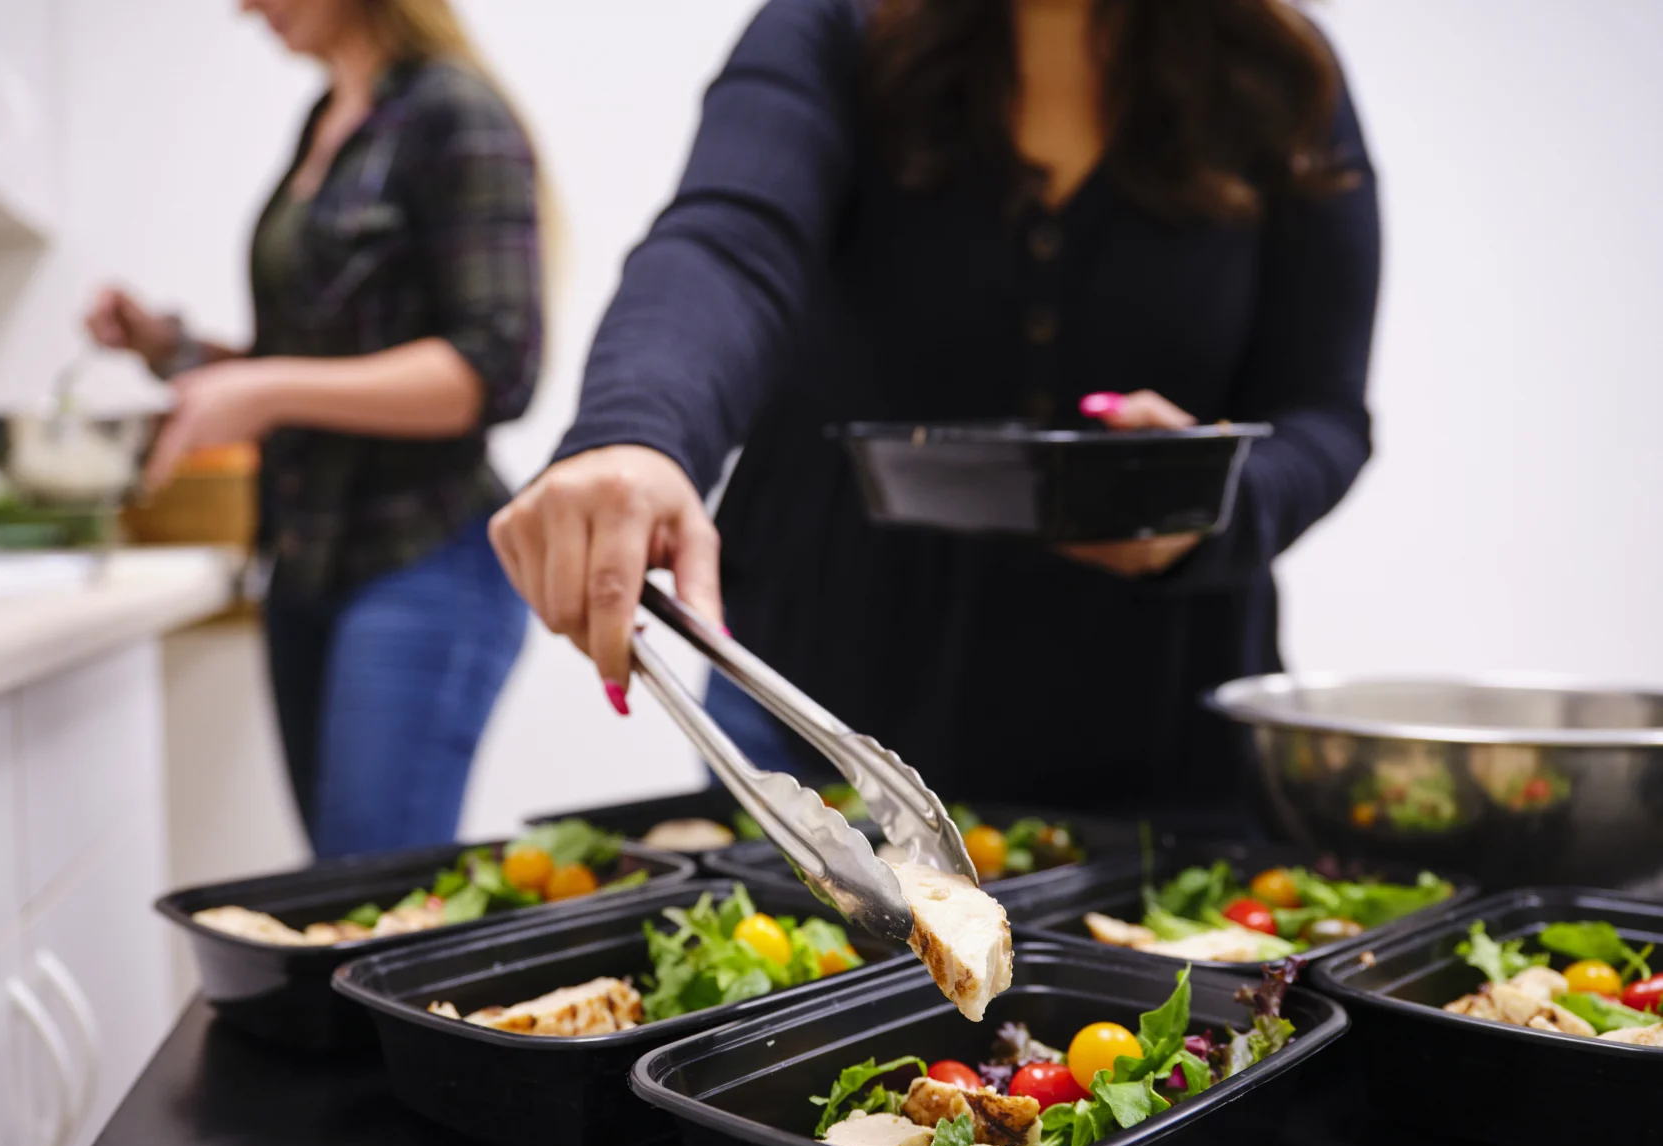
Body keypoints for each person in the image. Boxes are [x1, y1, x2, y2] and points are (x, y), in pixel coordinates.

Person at [491, 0, 1378, 828]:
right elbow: (728, 244)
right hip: (827, 719)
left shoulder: (1279, 76)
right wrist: (636, 428)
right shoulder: (834, 29)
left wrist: (1208, 507)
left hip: (1162, 742)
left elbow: (1325, 415)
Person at [88, 0, 542, 857]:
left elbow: (495, 365)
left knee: (372, 900)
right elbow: (305, 356)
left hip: (422, 557)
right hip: (305, 565)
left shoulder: (453, 113)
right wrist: (169, 345)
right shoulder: (324, 127)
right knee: (340, 890)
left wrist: (266, 391)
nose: (243, 7)